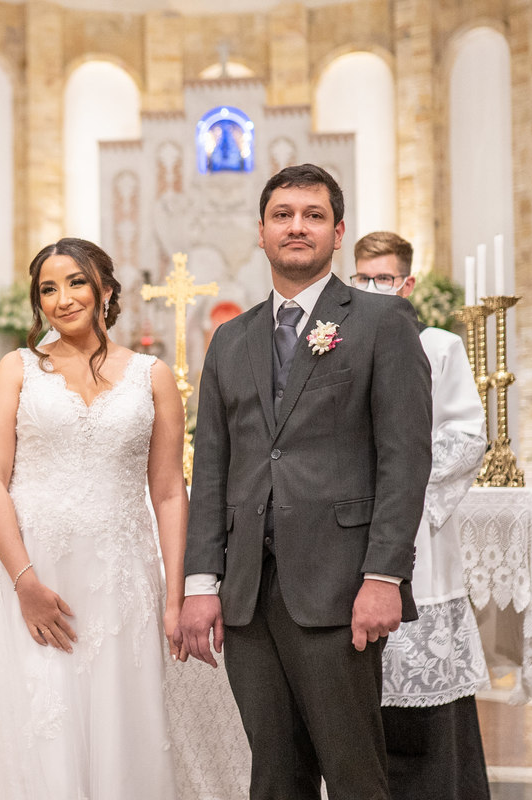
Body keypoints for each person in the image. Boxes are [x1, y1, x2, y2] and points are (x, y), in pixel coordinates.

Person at [0, 237, 248, 800]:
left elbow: (169, 493)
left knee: (122, 715)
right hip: (32, 574)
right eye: (48, 288)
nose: (62, 298)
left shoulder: (152, 376)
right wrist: (24, 584)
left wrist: (174, 596)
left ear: (106, 291)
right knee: (36, 720)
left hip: (122, 580)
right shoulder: (16, 369)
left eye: (75, 282)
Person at [178, 163, 433, 799]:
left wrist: (384, 578)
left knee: (354, 775)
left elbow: (406, 460)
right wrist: (200, 584)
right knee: (273, 777)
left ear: (338, 232)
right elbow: (211, 467)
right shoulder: (229, 340)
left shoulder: (381, 322)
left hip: (340, 587)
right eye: (283, 215)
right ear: (260, 232)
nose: (298, 226)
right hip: (247, 597)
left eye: (313, 215)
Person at [352, 231, 490, 799]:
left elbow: (465, 437)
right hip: (353, 532)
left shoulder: (437, 346)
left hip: (419, 537)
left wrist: (403, 484)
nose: (371, 287)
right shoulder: (339, 341)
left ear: (406, 284)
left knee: (428, 706)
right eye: (361, 277)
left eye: (383, 278)